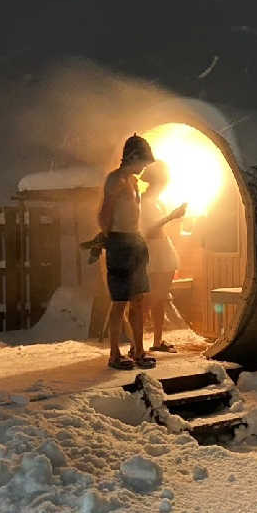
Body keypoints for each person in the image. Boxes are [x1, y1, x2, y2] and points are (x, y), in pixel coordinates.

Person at [98, 134, 157, 370]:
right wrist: (107, 237)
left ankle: (138, 351)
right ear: (133, 158)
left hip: (134, 242)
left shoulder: (132, 182)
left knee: (138, 300)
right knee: (120, 301)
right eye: (143, 162)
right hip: (120, 243)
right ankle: (114, 354)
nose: (144, 167)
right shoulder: (115, 180)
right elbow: (104, 213)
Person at [139, 161, 187, 353]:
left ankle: (157, 341)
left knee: (160, 298)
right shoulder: (144, 201)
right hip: (154, 250)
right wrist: (171, 216)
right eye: (163, 181)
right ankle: (137, 345)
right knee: (151, 297)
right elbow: (149, 229)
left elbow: (163, 225)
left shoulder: (158, 201)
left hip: (163, 248)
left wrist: (176, 217)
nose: (165, 185)